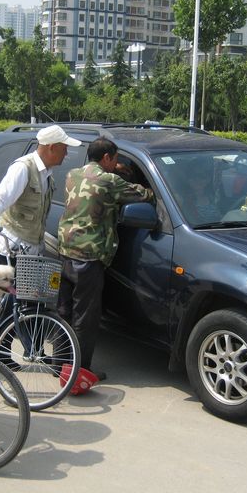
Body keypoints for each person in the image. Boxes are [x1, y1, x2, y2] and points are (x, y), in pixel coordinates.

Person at [57, 137, 154, 382]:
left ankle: (60, 363)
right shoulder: (109, 181)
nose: (117, 163)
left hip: (66, 249)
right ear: (107, 158)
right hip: (89, 256)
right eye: (115, 159)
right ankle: (80, 371)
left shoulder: (72, 174)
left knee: (65, 310)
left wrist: (117, 169)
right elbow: (144, 195)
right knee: (86, 317)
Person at [0, 124, 81, 261]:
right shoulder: (23, 168)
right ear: (52, 147)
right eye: (64, 148)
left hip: (30, 252)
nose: (66, 154)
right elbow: (0, 198)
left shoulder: (47, 174)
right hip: (11, 249)